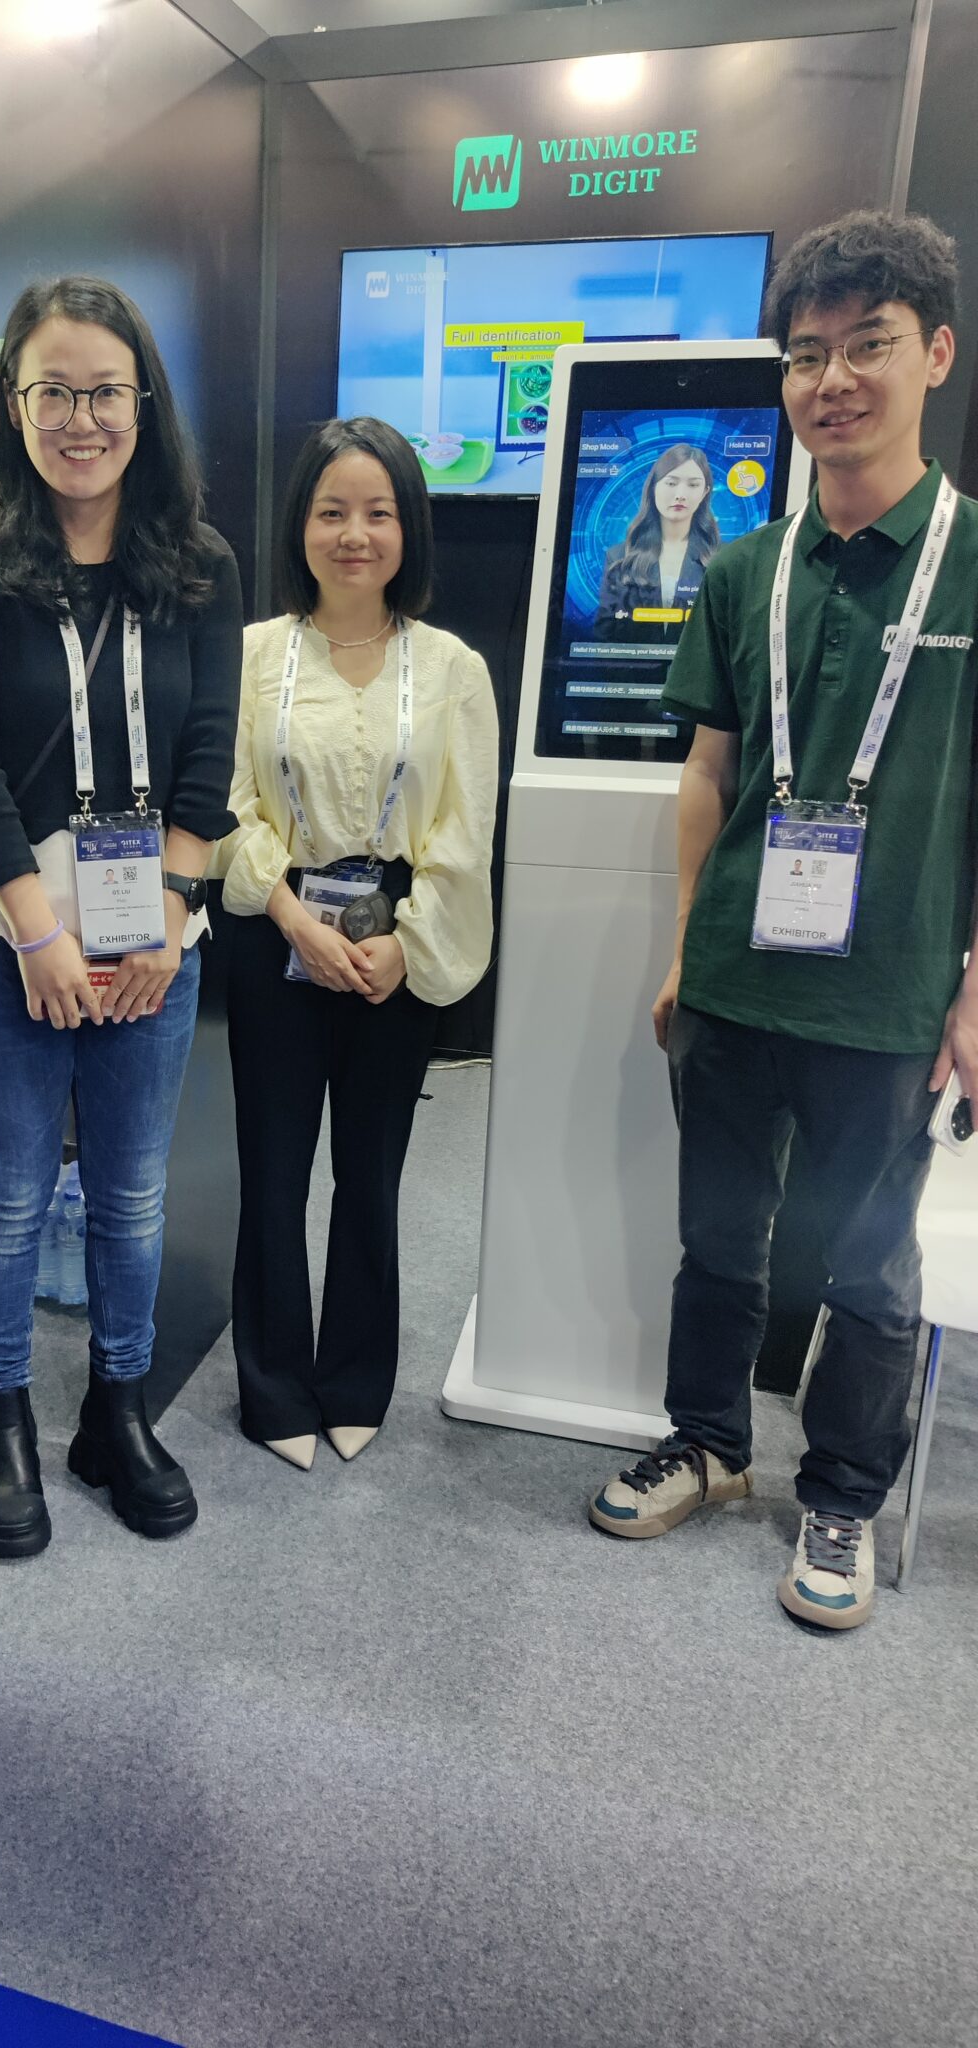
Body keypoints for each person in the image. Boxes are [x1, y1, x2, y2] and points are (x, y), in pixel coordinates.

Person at [589, 210, 978, 1631]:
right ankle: (710, 1443)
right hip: (742, 979)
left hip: (890, 993)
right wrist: (690, 941)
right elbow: (707, 778)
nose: (833, 382)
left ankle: (844, 1501)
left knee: (870, 1265)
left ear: (934, 352)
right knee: (722, 1241)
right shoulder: (748, 571)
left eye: (866, 347)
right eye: (808, 355)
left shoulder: (974, 563)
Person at [0, 276, 240, 1558]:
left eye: (105, 390)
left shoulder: (199, 564)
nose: (81, 417)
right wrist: (40, 932)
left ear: (143, 402)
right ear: (16, 403)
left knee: (131, 1198)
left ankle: (117, 1410)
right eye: (52, 390)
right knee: (5, 1196)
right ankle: (5, 1421)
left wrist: (164, 913)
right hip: (7, 929)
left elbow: (211, 747)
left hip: (156, 926)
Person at [217, 417, 499, 1468]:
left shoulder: (453, 666)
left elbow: (466, 830)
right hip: (276, 935)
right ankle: (275, 1380)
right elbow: (228, 801)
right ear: (301, 524)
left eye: (377, 512)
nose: (353, 533)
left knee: (371, 1175)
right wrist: (287, 911)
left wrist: (407, 944)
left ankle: (355, 1377)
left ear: (407, 527)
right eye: (332, 510)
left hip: (395, 948)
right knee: (275, 1167)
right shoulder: (250, 654)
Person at [593, 443, 720, 640]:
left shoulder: (723, 557)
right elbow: (604, 636)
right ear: (653, 487)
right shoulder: (618, 557)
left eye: (693, 485)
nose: (680, 495)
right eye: (671, 483)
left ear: (705, 492)